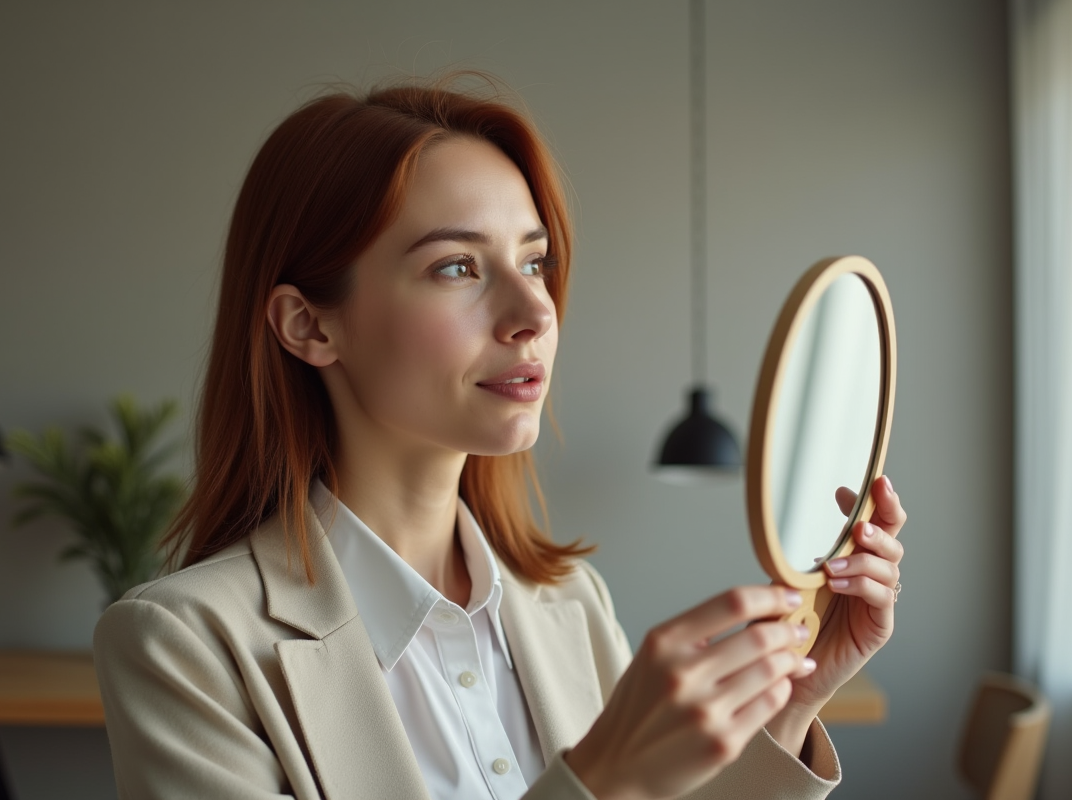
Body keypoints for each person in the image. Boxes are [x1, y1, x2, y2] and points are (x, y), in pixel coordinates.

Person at [93, 77, 907, 800]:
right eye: (457, 267)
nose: (535, 313)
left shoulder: (569, 606)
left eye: (536, 261)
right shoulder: (186, 650)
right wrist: (601, 781)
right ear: (309, 324)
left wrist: (798, 697)